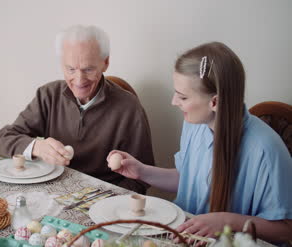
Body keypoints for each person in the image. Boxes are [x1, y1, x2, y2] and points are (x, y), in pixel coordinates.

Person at [108, 42, 292, 243]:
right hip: (185, 236)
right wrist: (142, 171)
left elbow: (285, 230)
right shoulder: (195, 123)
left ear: (215, 102)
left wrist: (228, 222)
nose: (174, 102)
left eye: (183, 97)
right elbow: (188, 180)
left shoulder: (266, 150)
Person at [0, 25, 154, 193]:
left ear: (105, 62)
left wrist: (106, 200)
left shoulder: (129, 108)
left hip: (102, 197)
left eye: (88, 69)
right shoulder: (48, 95)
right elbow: (3, 139)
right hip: (52, 190)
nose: (79, 80)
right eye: (71, 69)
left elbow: (142, 177)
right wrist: (37, 147)